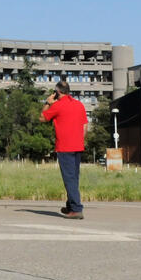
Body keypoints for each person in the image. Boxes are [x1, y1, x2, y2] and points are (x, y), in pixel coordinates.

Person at [39, 80, 88, 220]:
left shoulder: (58, 106)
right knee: (74, 177)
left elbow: (42, 117)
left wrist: (48, 102)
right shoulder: (79, 105)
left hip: (65, 147)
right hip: (78, 146)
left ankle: (77, 209)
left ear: (57, 92)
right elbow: (85, 127)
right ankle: (71, 206)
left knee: (69, 178)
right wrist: (79, 140)